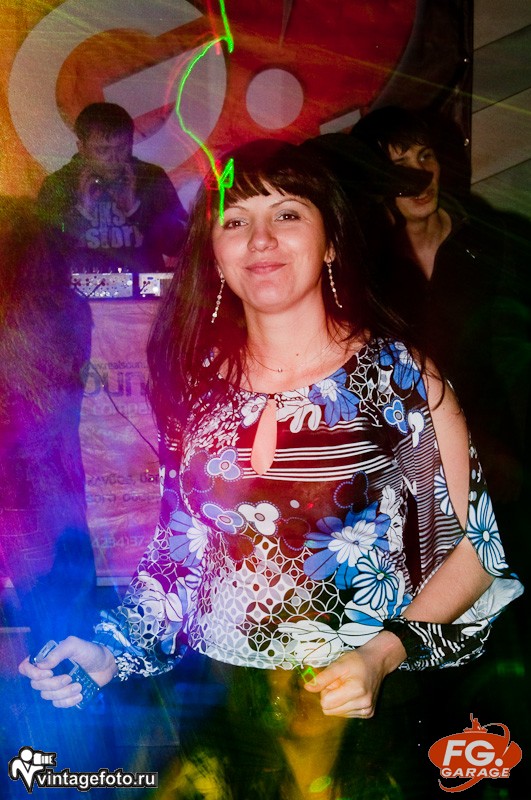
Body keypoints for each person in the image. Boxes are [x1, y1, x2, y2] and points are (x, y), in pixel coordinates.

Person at [19, 140, 523, 798]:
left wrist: (381, 655)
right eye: (235, 220)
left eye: (287, 213)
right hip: (227, 712)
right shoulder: (200, 390)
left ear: (330, 242)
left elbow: (476, 552)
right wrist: (110, 650)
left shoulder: (395, 378)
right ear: (214, 252)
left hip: (355, 716)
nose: (259, 238)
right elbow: (181, 556)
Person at [349, 106, 526, 514]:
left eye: (425, 156)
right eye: (400, 166)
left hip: (505, 460)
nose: (421, 175)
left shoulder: (492, 242)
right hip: (414, 472)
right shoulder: (364, 272)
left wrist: (506, 449)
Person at [37, 102, 187, 294]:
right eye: (102, 150)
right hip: (78, 297)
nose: (113, 159)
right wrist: (81, 213)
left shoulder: (151, 178)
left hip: (145, 292)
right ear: (81, 147)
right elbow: (45, 253)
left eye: (121, 148)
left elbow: (177, 246)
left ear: (130, 143)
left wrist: (135, 210)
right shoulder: (59, 184)